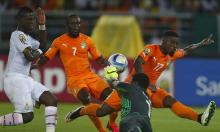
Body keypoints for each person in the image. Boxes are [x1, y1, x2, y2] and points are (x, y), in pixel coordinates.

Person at [32, 14, 120, 132]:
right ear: (67, 25)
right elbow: (47, 57)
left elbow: (98, 58)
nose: (76, 26)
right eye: (73, 23)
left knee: (112, 97)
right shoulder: (59, 41)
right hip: (74, 79)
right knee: (86, 98)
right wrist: (36, 65)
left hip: (90, 76)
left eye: (78, 23)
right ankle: (102, 130)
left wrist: (109, 66)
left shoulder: (87, 40)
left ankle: (112, 123)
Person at [125, 30, 216, 126]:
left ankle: (200, 118)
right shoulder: (151, 49)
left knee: (169, 100)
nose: (175, 45)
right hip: (133, 86)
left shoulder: (172, 54)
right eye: (172, 42)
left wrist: (201, 43)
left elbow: (186, 50)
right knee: (110, 108)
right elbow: (138, 62)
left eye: (176, 43)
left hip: (151, 89)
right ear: (163, 41)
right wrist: (145, 83)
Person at [0, 7, 57, 132]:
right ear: (20, 20)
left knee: (51, 99)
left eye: (33, 19)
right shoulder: (17, 35)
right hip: (15, 80)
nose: (33, 22)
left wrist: (42, 25)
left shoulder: (28, 38)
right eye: (29, 19)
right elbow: (30, 56)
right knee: (27, 116)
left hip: (25, 79)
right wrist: (41, 51)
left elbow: (42, 45)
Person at [65, 66, 153, 132]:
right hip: (145, 123)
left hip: (130, 120)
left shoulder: (129, 87)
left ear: (135, 83)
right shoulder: (148, 98)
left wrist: (110, 73)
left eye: (132, 81)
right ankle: (82, 111)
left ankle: (112, 124)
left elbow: (112, 82)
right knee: (101, 111)